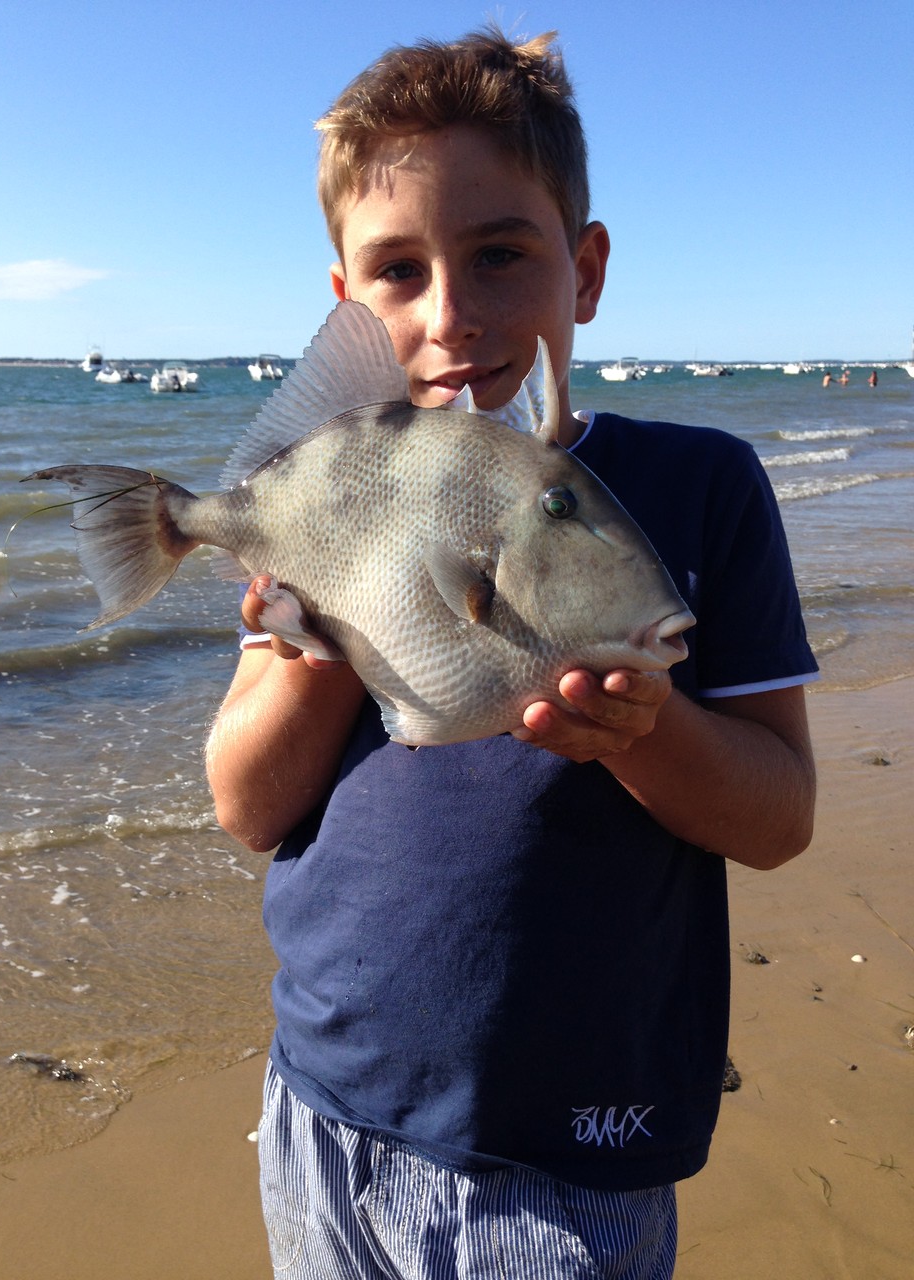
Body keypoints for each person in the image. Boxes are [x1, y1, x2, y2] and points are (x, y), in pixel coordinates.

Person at [206, 27, 818, 1280]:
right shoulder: (330, 494)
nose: (451, 315)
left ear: (583, 268)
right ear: (347, 308)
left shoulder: (702, 487)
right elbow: (248, 800)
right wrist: (322, 636)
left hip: (568, 1161)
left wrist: (651, 734)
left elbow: (779, 815)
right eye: (396, 271)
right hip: (321, 1106)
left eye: (500, 253)